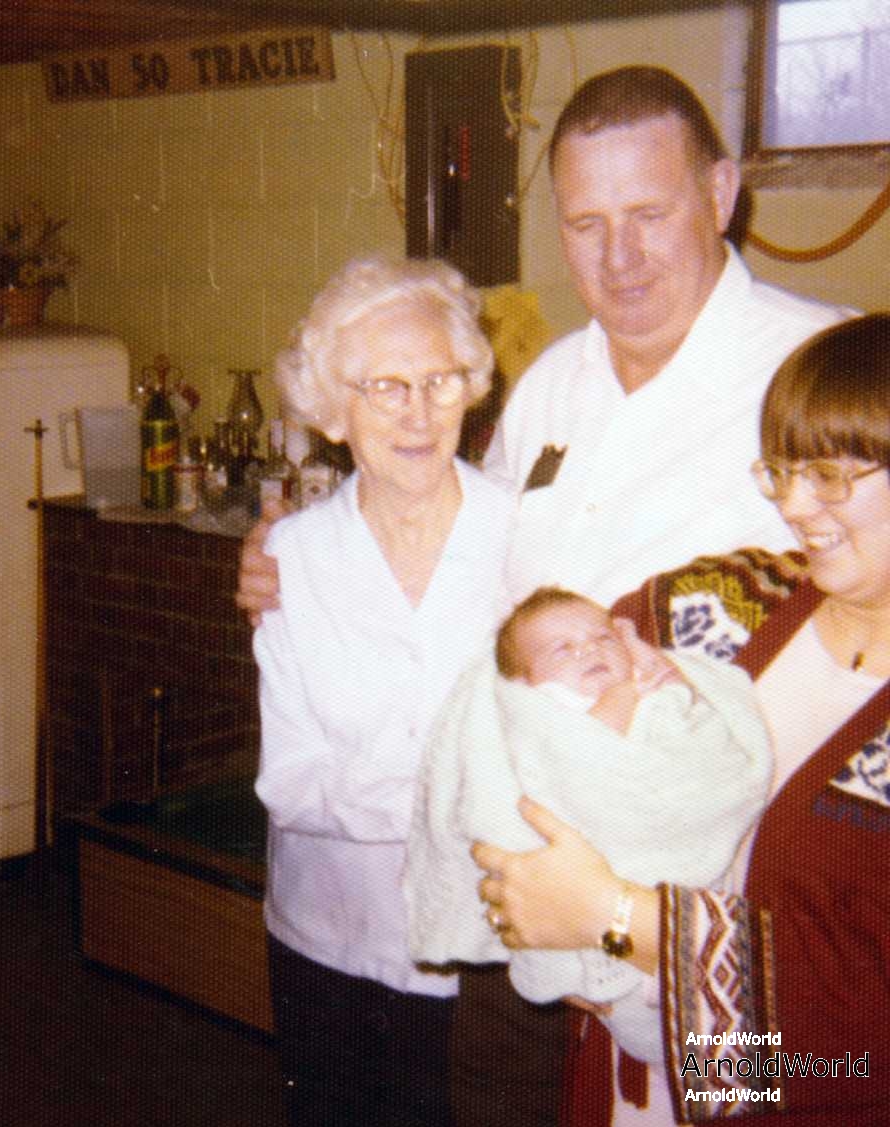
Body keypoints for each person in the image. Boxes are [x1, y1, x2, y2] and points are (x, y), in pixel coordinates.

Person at [237, 64, 849, 1126]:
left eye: (649, 214)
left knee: (760, 1102)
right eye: (586, 223)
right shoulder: (551, 389)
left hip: (705, 907)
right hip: (516, 918)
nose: (620, 257)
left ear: (720, 193)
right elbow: (454, 548)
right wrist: (291, 550)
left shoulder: (820, 369)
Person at [474, 312, 890, 1125]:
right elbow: (521, 677)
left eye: (829, 474)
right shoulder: (730, 602)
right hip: (626, 1095)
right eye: (781, 471)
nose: (795, 505)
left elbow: (866, 1036)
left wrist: (616, 917)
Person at [253, 253, 513, 1127]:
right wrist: (456, 797)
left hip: (486, 953)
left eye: (440, 380)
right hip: (327, 943)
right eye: (385, 387)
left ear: (471, 386)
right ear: (333, 408)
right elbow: (290, 781)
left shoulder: (523, 534)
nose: (418, 413)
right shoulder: (293, 557)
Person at [404, 586, 771, 1065]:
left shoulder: (648, 682)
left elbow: (703, 744)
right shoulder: (547, 708)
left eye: (603, 639)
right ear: (525, 679)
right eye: (562, 650)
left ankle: (708, 1045)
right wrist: (626, 692)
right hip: (591, 897)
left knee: (716, 1043)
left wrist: (659, 686)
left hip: (668, 892)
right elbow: (584, 752)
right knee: (669, 1033)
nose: (589, 652)